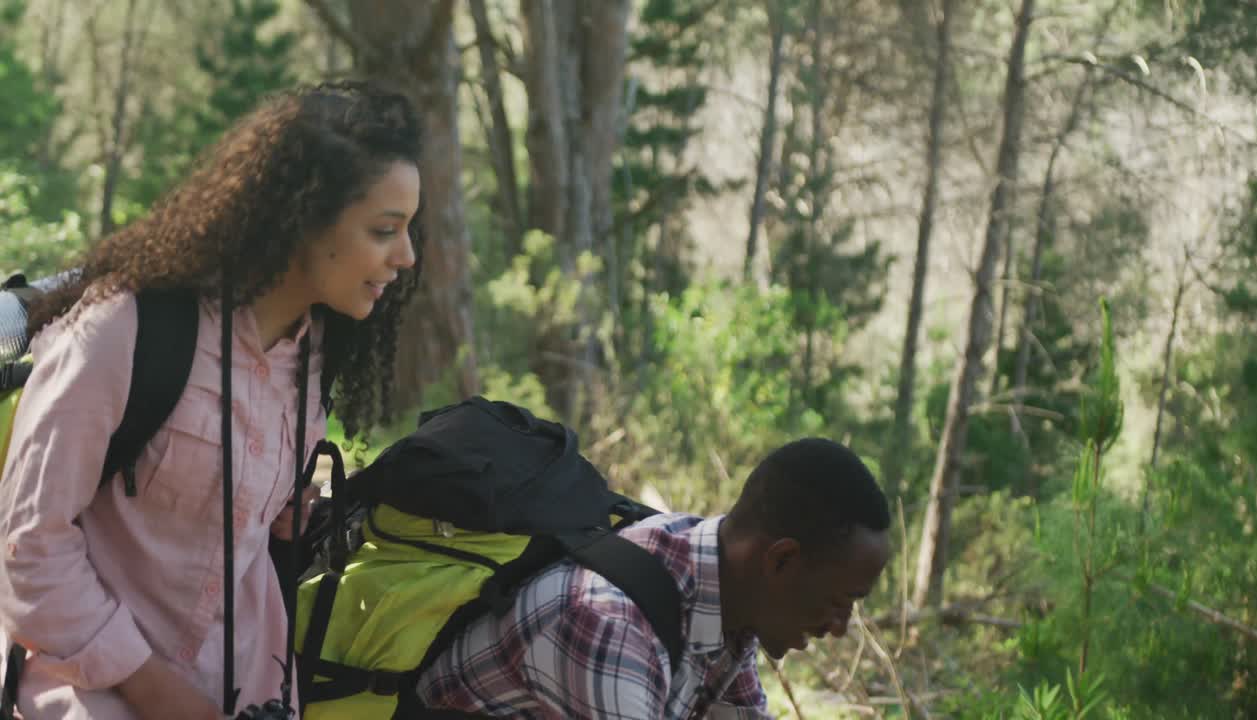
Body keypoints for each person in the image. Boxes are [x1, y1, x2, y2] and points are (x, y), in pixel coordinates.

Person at [0, 81, 423, 720]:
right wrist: (165, 699)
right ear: (302, 218)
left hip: (250, 691)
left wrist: (279, 511)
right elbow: (28, 546)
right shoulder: (122, 330)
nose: (406, 255)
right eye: (385, 229)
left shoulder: (313, 358)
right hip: (87, 690)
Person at [419, 437, 893, 719]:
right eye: (840, 600)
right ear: (781, 562)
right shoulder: (609, 624)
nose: (840, 625)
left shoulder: (721, 590)